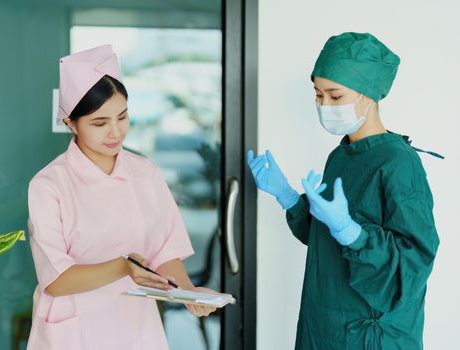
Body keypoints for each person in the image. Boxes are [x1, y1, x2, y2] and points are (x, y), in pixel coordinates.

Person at [247, 32, 440, 349]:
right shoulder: (340, 156)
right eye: (318, 95)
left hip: (370, 335)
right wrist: (288, 197)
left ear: (369, 94)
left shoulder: (399, 163)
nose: (323, 105)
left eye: (334, 97)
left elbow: (414, 261)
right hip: (323, 324)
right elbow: (324, 242)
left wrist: (351, 231)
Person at [27, 44, 216, 350]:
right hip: (74, 329)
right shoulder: (49, 184)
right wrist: (123, 267)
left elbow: (164, 250)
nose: (115, 132)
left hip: (134, 325)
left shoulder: (146, 173)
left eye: (123, 117)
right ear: (70, 123)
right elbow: (57, 280)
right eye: (100, 123)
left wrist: (188, 293)